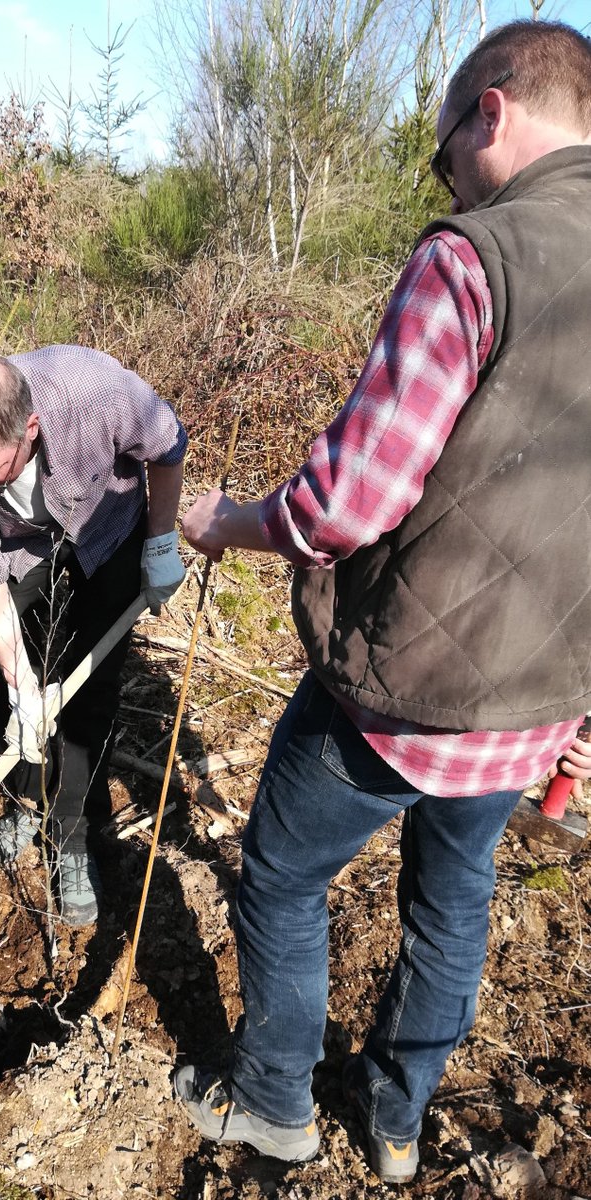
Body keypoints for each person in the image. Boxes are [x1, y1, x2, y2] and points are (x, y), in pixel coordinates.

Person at [174, 20, 591, 1184]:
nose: (447, 172)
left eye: (446, 147)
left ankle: (274, 1108)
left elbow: (345, 505)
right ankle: (398, 1122)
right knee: (454, 893)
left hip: (416, 694)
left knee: (282, 872)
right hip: (546, 699)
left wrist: (231, 524)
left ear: (492, 112)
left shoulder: (475, 258)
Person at [0, 345, 187, 926]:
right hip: (18, 550)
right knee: (0, 689)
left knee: (91, 695)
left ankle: (74, 836)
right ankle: (26, 799)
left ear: (30, 427)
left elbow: (168, 444)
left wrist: (161, 540)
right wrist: (21, 683)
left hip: (106, 529)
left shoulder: (91, 392)